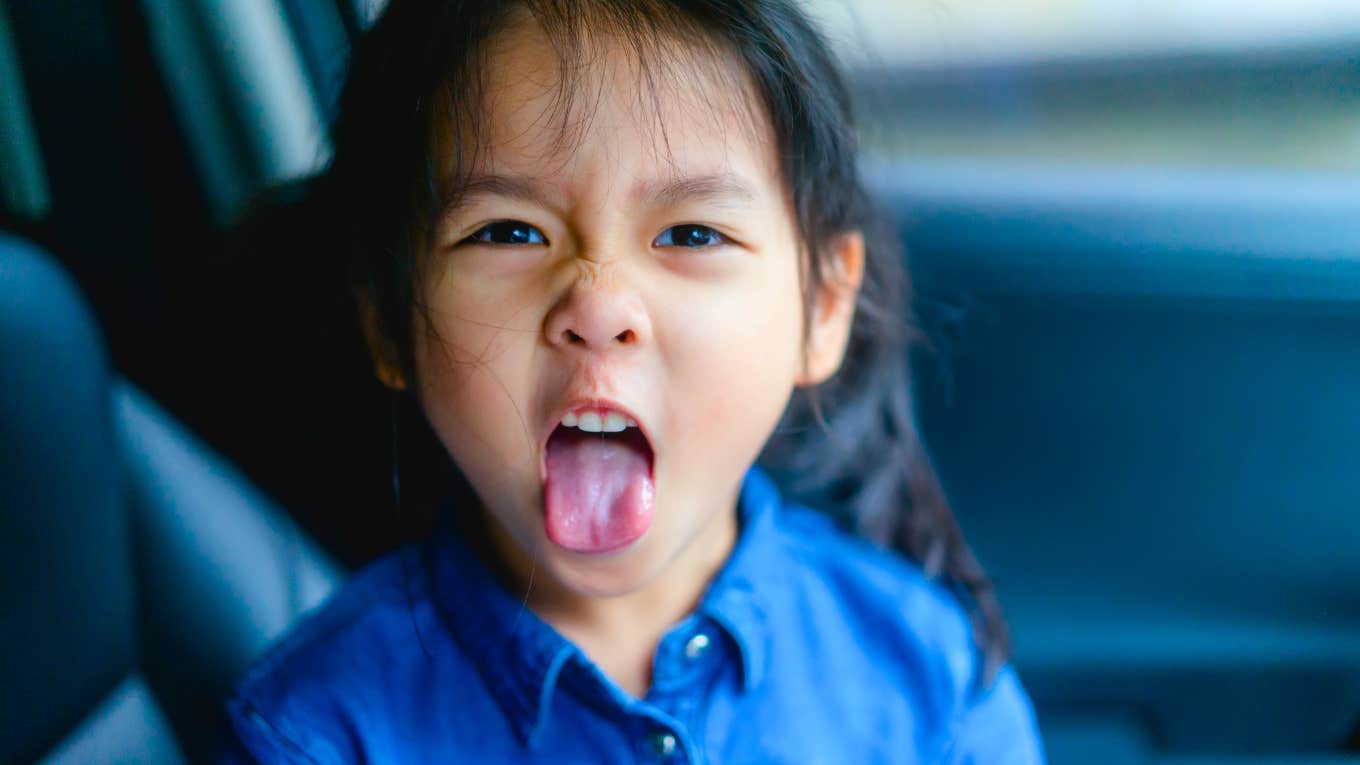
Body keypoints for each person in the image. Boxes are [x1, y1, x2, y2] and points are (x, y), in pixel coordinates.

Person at [222, 0, 1045, 761]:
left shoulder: (931, 678)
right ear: (388, 323)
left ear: (823, 306)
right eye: (507, 231)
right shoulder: (314, 733)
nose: (598, 304)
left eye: (692, 232)